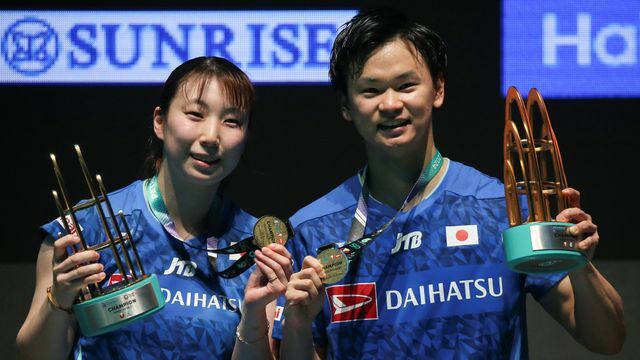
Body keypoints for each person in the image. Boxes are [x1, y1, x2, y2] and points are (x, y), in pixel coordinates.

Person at [274, 8, 625, 359]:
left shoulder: (501, 209)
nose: (391, 104)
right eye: (371, 90)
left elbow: (607, 339)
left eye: (406, 85)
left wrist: (580, 264)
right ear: (346, 106)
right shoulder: (315, 230)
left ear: (437, 89)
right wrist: (298, 325)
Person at [16, 56, 292, 359]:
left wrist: (253, 317)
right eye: (195, 114)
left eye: (232, 121)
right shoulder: (83, 230)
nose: (212, 136)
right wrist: (60, 299)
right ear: (160, 121)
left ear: (246, 137)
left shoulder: (257, 248)